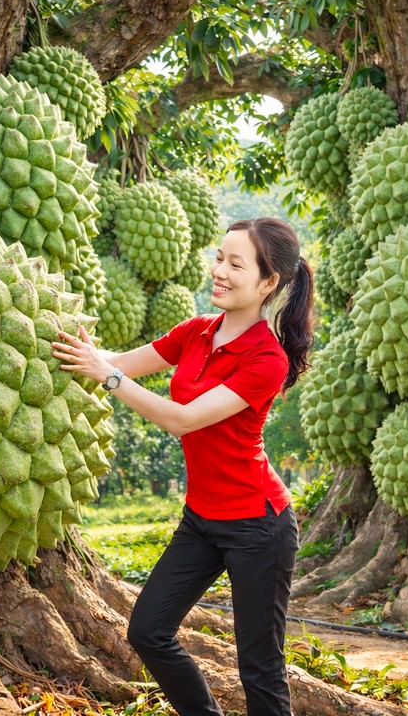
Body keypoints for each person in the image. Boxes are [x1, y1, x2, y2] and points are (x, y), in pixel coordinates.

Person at [52, 216, 315, 716]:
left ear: (268, 282)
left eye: (236, 263)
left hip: (259, 526)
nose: (220, 270)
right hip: (202, 519)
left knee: (260, 667)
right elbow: (119, 361)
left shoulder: (266, 359)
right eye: (219, 257)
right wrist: (72, 347)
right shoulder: (195, 333)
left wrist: (106, 376)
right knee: (148, 630)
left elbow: (183, 420)